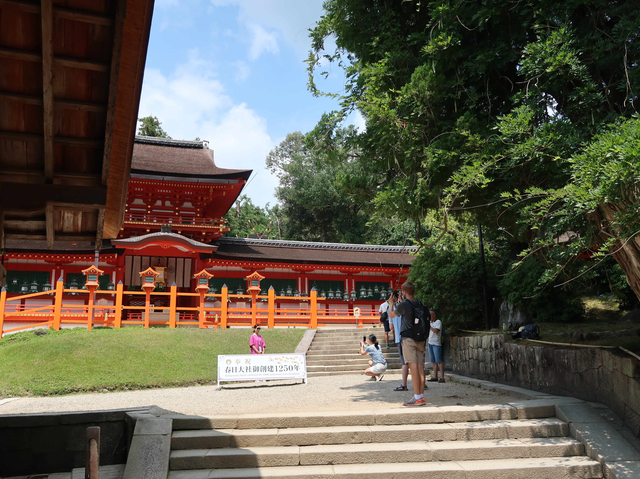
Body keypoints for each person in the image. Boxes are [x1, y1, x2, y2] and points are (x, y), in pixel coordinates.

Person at [391, 281, 427, 406]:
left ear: (404, 292)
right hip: (420, 338)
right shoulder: (419, 303)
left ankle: (417, 396)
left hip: (408, 338)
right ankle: (421, 395)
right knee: (420, 367)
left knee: (414, 366)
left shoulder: (404, 305)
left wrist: (391, 304)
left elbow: (392, 314)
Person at [388, 291, 409, 392]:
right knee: (414, 361)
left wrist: (391, 303)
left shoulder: (393, 311)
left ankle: (404, 384)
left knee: (404, 362)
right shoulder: (406, 307)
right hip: (409, 336)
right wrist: (402, 300)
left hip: (399, 338)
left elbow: (391, 327)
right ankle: (422, 382)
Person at [426, 309, 445, 383]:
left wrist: (429, 326)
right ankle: (435, 376)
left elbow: (436, 331)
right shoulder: (430, 323)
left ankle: (442, 377)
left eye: (431, 315)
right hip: (430, 343)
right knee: (433, 361)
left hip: (436, 343)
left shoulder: (438, 322)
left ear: (434, 315)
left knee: (439, 361)